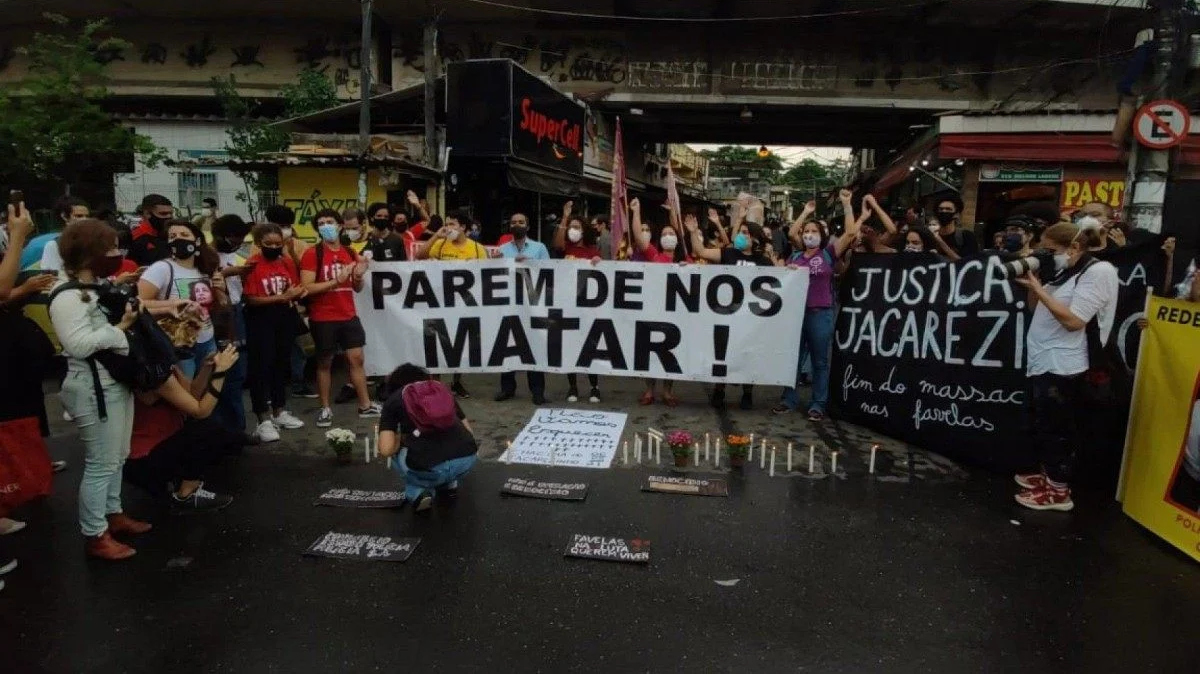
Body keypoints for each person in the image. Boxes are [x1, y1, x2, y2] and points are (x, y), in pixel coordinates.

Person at [49, 219, 148, 560]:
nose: (116, 253)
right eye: (109, 248)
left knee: (117, 456)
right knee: (100, 463)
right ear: (90, 253)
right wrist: (120, 331)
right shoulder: (68, 297)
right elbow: (77, 344)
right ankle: (95, 533)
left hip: (112, 382)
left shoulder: (94, 288)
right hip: (92, 388)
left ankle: (113, 513)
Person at [1014, 222, 1119, 511]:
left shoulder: (1098, 272)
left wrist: (1040, 289)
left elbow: (1074, 322)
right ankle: (1049, 476)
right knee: (1043, 424)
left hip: (1066, 364)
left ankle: (1059, 492)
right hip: (1044, 360)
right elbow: (1036, 309)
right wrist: (1035, 284)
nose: (1047, 256)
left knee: (1058, 428)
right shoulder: (1064, 271)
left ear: (1073, 248)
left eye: (1050, 251)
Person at [773, 189, 862, 420]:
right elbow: (792, 231)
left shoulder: (829, 254)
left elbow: (851, 232)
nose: (809, 234)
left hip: (820, 313)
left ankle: (818, 403)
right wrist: (805, 212)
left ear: (822, 236)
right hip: (796, 315)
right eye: (807, 232)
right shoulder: (795, 258)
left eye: (815, 231)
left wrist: (847, 205)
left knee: (820, 361)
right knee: (792, 358)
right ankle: (788, 399)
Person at [125, 345, 240, 512]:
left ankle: (176, 480)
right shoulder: (152, 371)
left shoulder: (165, 364)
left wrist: (207, 368)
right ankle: (186, 493)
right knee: (206, 429)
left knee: (227, 438)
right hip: (143, 459)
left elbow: (192, 394)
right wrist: (220, 372)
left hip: (158, 447)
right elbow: (201, 410)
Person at [300, 209, 378, 427]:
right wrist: (336, 281)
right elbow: (306, 288)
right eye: (321, 223)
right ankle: (325, 408)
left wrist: (359, 276)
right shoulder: (312, 253)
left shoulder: (349, 252)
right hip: (323, 317)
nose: (326, 226)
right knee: (325, 363)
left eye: (330, 222)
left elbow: (357, 287)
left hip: (348, 314)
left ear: (339, 225)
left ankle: (365, 405)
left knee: (356, 359)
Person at [377, 363, 479, 513]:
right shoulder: (440, 390)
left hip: (430, 469)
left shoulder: (394, 400)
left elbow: (385, 449)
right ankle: (449, 484)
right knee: (443, 450)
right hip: (466, 460)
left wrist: (400, 439)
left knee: (397, 451)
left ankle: (418, 492)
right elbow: (468, 431)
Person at [242, 223, 308, 442]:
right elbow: (251, 299)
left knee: (281, 365)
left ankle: (280, 410)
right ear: (259, 244)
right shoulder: (252, 265)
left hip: (284, 318)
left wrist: (296, 293)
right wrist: (280, 297)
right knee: (261, 367)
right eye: (268, 244)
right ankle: (262, 419)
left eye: (278, 244)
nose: (273, 247)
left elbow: (295, 287)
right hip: (261, 319)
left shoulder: (286, 261)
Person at [138, 220, 226, 379]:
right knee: (187, 393)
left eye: (184, 235)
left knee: (205, 391)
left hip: (207, 340)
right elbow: (139, 303)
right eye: (173, 236)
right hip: (178, 343)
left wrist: (220, 290)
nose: (178, 239)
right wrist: (172, 305)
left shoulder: (204, 269)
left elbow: (218, 305)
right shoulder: (161, 268)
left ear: (197, 241)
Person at [416, 210, 488, 398]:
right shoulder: (440, 245)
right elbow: (419, 256)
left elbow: (486, 275)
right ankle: (435, 384)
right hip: (440, 302)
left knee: (460, 342)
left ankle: (456, 382)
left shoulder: (477, 249)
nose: (448, 228)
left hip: (464, 304)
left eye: (452, 224)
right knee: (437, 340)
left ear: (463, 227)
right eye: (447, 224)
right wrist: (435, 237)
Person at [627, 198, 688, 406]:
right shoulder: (655, 256)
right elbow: (639, 238)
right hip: (654, 310)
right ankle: (649, 390)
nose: (668, 237)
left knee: (672, 352)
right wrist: (636, 211)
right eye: (664, 234)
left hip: (676, 313)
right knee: (650, 351)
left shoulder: (687, 261)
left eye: (671, 234)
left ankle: (668, 391)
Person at [494, 212, 549, 404]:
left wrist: (530, 263)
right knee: (507, 346)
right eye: (513, 222)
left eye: (521, 222)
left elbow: (549, 273)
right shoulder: (501, 250)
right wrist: (497, 262)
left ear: (528, 226)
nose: (517, 224)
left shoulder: (539, 248)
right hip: (508, 305)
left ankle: (537, 391)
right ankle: (507, 388)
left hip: (531, 305)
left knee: (534, 346)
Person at [552, 201, 603, 403]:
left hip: (587, 306)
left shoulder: (592, 251)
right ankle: (572, 386)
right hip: (567, 304)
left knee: (590, 345)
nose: (573, 231)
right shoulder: (564, 249)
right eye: (571, 227)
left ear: (584, 230)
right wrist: (565, 217)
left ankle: (594, 386)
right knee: (570, 345)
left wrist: (599, 264)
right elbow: (557, 243)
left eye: (577, 227)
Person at [210, 215, 255, 436]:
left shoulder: (236, 256)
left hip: (238, 311)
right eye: (234, 238)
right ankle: (221, 429)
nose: (237, 242)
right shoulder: (208, 256)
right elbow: (207, 279)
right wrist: (228, 273)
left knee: (237, 374)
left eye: (241, 238)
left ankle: (237, 428)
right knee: (220, 372)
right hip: (219, 315)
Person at [39, 196, 91, 272]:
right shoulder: (54, 245)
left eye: (87, 216)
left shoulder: (93, 242)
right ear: (64, 217)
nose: (85, 220)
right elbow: (51, 277)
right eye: (79, 216)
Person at [127, 194, 176, 266]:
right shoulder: (134, 238)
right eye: (163, 213)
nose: (169, 217)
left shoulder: (173, 235)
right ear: (147, 213)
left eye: (171, 213)